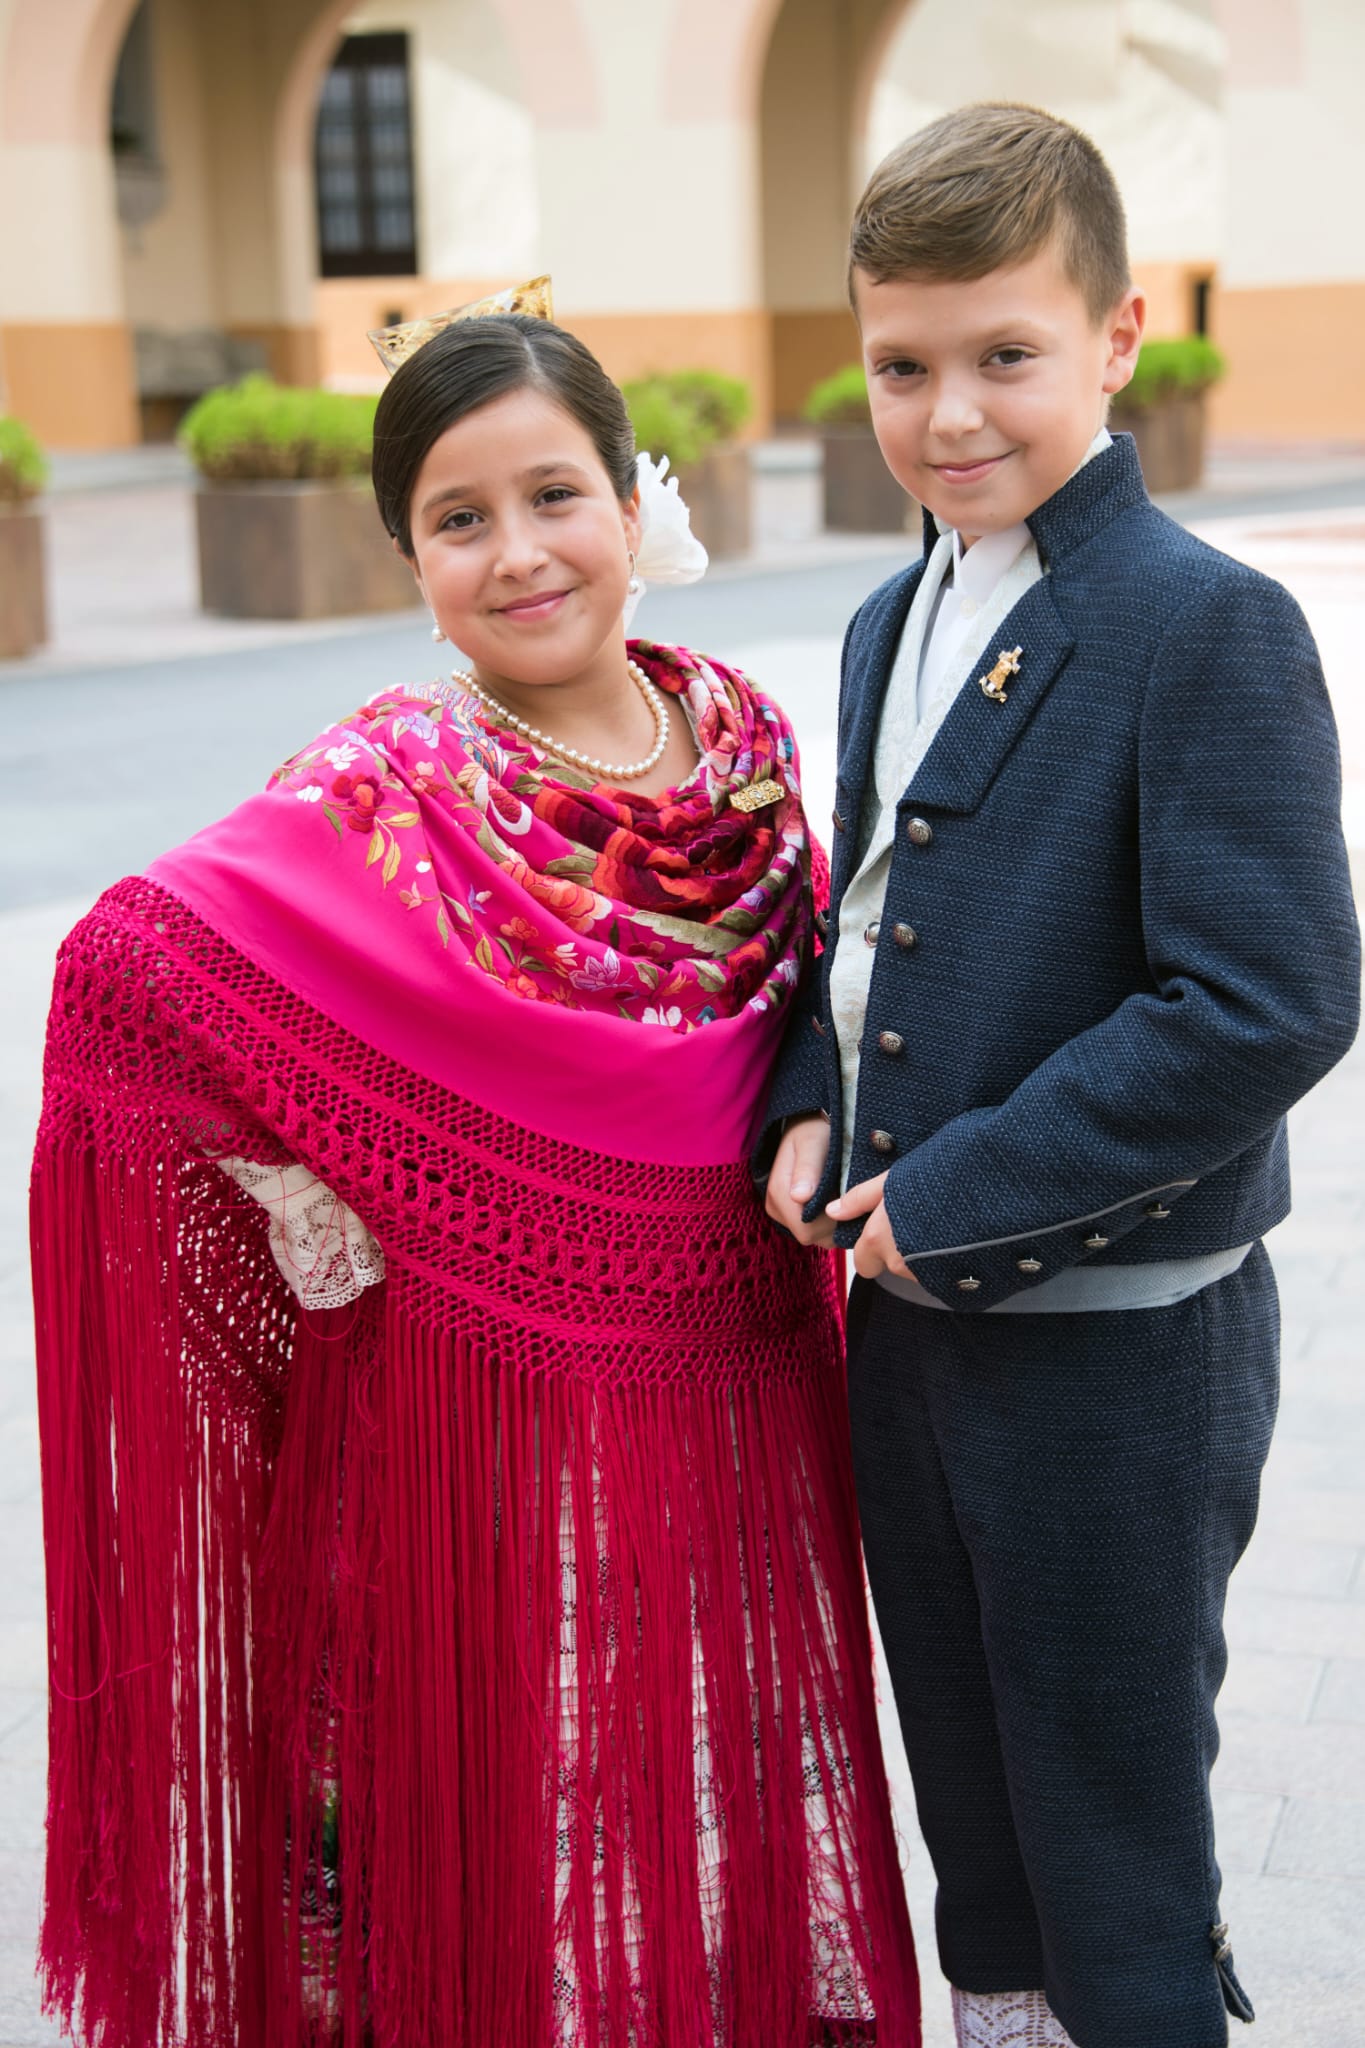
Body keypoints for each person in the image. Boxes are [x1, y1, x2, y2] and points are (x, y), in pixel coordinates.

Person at [31, 299, 920, 2048]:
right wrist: (326, 1201)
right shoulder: (389, 779)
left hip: (742, 1390)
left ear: (629, 496)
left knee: (713, 1808)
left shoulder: (740, 738)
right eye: (458, 519)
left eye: (552, 496)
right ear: (408, 554)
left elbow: (809, 1000)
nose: (518, 555)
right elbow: (132, 977)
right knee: (532, 1843)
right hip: (487, 1426)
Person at [761, 103, 1360, 2048]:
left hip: (1112, 1345)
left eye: (1002, 355)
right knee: (977, 1813)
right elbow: (855, 926)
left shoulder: (1201, 622)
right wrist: (803, 1105)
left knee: (1107, 1838)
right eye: (901, 365)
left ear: (1112, 336)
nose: (948, 413)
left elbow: (1264, 998)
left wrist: (940, 1196)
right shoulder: (887, 611)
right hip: (909, 1334)